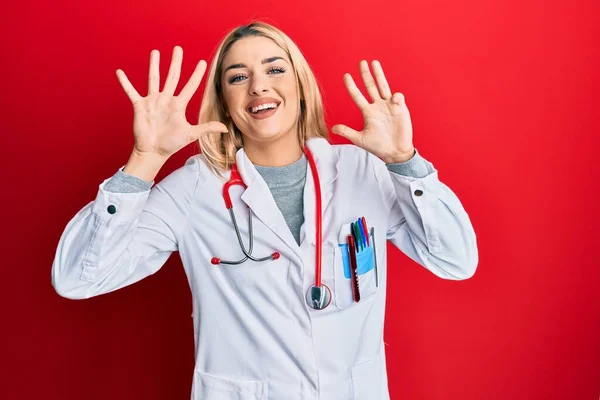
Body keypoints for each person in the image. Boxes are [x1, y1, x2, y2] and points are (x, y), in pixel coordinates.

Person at [52, 21, 478, 400]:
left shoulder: (361, 170)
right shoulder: (195, 187)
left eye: (275, 69)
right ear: (223, 99)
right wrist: (144, 160)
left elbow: (456, 260)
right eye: (238, 77)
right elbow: (77, 279)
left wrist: (405, 160)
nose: (258, 86)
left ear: (300, 84)